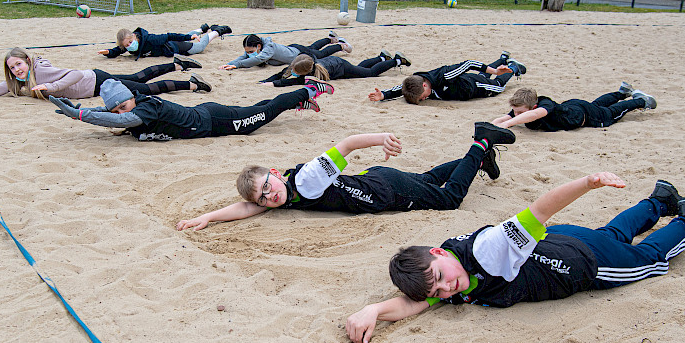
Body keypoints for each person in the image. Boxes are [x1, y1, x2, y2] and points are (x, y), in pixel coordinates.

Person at [345, 176, 685, 343]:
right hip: (562, 241)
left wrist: (588, 182)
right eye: (437, 289)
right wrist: (373, 310)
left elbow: (539, 210)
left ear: (439, 253)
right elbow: (415, 302)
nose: (445, 288)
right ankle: (659, 200)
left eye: (440, 277)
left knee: (649, 259)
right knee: (611, 234)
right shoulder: (442, 269)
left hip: (582, 262)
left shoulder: (487, 251)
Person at [175, 122, 515, 231]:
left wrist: (380, 138)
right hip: (378, 180)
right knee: (428, 179)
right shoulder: (285, 194)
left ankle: (481, 141)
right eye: (263, 197)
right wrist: (207, 217)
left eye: (268, 187)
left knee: (450, 199)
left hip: (385, 191)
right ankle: (479, 161)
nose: (269, 197)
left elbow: (347, 144)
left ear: (275, 174)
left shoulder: (306, 180)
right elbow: (246, 208)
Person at [48, 77, 332, 141]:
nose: (123, 114)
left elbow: (123, 119)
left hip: (214, 121)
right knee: (255, 109)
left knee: (264, 114)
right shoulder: (130, 108)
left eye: (124, 106)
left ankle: (309, 88)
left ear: (132, 98)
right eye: (117, 110)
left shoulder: (144, 107)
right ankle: (299, 100)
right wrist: (85, 111)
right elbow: (113, 115)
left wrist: (81, 115)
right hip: (206, 112)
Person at [0, 47, 208, 102]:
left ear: (27, 61)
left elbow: (75, 74)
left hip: (94, 80)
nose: (16, 70)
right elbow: (1, 87)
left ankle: (189, 82)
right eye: (12, 68)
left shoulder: (40, 70)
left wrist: (51, 88)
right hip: (93, 88)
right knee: (139, 79)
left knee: (142, 84)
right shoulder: (21, 80)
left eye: (18, 65)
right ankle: (178, 67)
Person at [368, 52, 524, 104]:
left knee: (497, 85)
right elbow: (401, 89)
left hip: (474, 87)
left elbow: (469, 63)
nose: (423, 100)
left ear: (425, 86)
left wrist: (496, 72)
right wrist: (383, 95)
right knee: (483, 75)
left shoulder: (445, 75)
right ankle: (503, 58)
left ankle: (514, 67)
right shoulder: (415, 81)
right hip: (466, 82)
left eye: (423, 97)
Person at [490, 83, 656, 131]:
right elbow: (506, 117)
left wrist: (507, 124)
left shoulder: (543, 105)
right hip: (574, 106)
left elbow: (534, 116)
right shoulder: (523, 107)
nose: (516, 114)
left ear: (533, 106)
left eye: (520, 112)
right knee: (597, 104)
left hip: (586, 116)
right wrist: (495, 124)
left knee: (611, 113)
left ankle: (642, 101)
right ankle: (622, 92)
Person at [259, 51, 411, 87]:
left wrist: (274, 84)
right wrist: (266, 81)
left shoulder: (312, 74)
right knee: (359, 68)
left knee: (368, 73)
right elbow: (282, 74)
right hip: (336, 65)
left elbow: (292, 82)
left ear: (305, 72)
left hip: (341, 67)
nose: (292, 71)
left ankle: (397, 60)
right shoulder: (302, 63)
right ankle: (382, 58)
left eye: (295, 71)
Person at [220, 31, 352, 71]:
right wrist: (230, 63)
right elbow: (243, 57)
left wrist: (238, 65)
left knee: (320, 54)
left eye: (250, 51)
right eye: (247, 51)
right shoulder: (256, 48)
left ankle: (341, 45)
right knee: (313, 48)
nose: (248, 53)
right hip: (293, 49)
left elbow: (257, 60)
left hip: (299, 54)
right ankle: (330, 39)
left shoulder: (267, 49)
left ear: (259, 46)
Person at [99, 24, 231, 60]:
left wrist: (187, 38)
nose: (129, 46)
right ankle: (201, 29)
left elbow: (169, 36)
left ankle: (217, 31)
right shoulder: (129, 47)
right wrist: (109, 52)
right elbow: (118, 50)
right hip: (170, 45)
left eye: (130, 42)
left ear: (134, 36)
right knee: (191, 37)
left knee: (200, 47)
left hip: (173, 46)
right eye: (126, 45)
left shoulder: (150, 39)